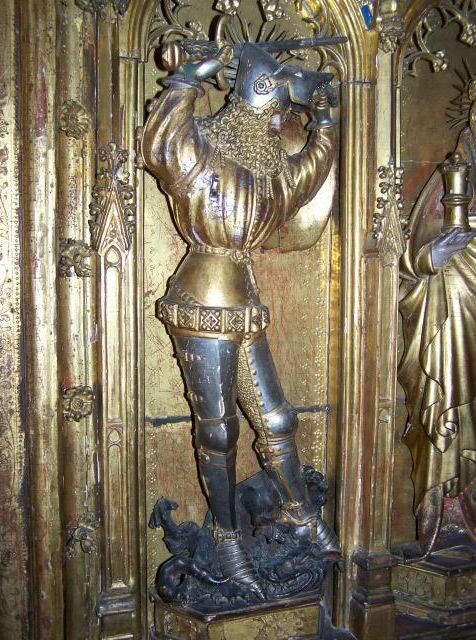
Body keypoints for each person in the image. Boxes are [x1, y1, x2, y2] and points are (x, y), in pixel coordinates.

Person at [140, 42, 339, 598]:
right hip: (203, 298)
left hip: (243, 299)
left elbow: (307, 174)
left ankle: (299, 512)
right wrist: (184, 82)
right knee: (218, 429)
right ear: (260, 92)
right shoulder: (204, 148)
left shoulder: (266, 165)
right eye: (278, 108)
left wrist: (325, 123)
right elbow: (162, 144)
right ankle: (227, 542)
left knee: (276, 419)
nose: (281, 121)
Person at [399, 79, 476, 555]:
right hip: (448, 317)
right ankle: (442, 514)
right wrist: (437, 254)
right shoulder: (453, 177)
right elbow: (409, 259)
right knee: (447, 398)